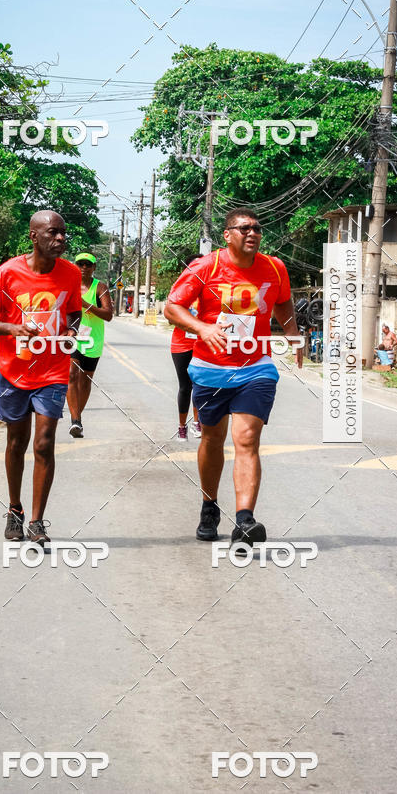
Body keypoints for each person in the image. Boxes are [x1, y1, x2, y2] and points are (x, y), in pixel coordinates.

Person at [164, 208, 303, 549]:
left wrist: (293, 333)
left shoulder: (274, 268)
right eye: (244, 228)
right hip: (210, 369)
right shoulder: (206, 267)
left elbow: (283, 304)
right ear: (227, 234)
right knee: (212, 441)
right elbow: (172, 307)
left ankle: (244, 520)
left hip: (256, 368)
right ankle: (209, 506)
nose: (252, 233)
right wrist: (202, 328)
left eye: (257, 228)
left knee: (246, 438)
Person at [0, 210, 82, 545]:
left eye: (63, 233)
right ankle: (15, 509)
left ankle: (37, 522)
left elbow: (74, 311)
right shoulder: (7, 273)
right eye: (52, 233)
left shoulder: (71, 273)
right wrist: (13, 328)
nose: (60, 239)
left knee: (44, 443)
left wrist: (71, 330)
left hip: (53, 369)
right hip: (15, 369)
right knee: (16, 442)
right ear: (33, 236)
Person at [66, 252, 113, 438]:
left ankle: (77, 417)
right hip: (72, 337)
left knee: (85, 380)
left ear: (94, 267)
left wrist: (85, 304)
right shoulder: (69, 286)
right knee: (71, 375)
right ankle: (75, 421)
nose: (84, 267)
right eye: (80, 264)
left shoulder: (99, 287)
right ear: (75, 266)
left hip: (93, 339)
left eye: (88, 264)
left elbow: (108, 315)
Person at [170, 255, 202, 442]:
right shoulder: (179, 290)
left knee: (200, 384)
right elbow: (170, 316)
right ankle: (182, 426)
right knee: (185, 386)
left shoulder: (209, 290)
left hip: (202, 343)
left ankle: (198, 422)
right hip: (181, 344)